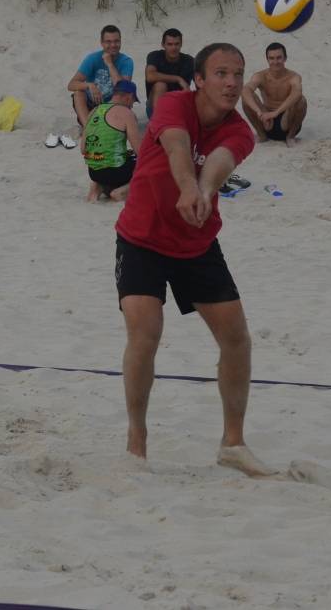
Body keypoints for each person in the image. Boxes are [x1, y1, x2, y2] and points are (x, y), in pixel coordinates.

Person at [114, 43, 276, 478]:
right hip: (142, 237)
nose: (232, 82)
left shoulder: (240, 130)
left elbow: (220, 162)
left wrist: (203, 191)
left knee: (236, 339)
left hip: (196, 243)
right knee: (146, 333)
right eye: (221, 73)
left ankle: (232, 444)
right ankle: (136, 443)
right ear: (199, 79)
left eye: (238, 74)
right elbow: (176, 146)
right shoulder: (173, 104)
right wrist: (188, 186)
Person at [81, 80, 142, 202]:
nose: (131, 106)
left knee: (120, 158)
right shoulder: (127, 113)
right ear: (129, 96)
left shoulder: (94, 111)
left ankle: (98, 186)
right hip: (115, 171)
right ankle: (122, 192)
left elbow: (83, 149)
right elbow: (140, 151)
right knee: (147, 163)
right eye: (133, 102)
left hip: (93, 172)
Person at [240, 42, 307, 147]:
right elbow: (245, 90)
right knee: (246, 98)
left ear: (285, 58)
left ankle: (290, 137)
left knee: (301, 100)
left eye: (279, 58)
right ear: (267, 59)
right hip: (266, 122)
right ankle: (262, 135)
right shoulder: (260, 76)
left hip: (287, 122)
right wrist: (259, 112)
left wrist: (276, 113)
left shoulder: (293, 77)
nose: (275, 62)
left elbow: (297, 93)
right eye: (271, 58)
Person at [66, 25, 134, 128]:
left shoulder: (127, 61)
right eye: (108, 42)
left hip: (112, 104)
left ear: (120, 42)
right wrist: (89, 85)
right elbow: (71, 85)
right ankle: (88, 128)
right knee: (78, 93)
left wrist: (110, 64)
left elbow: (123, 89)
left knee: (125, 95)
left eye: (116, 41)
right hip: (92, 103)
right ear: (102, 43)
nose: (113, 45)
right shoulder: (92, 59)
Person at [144, 28, 195, 120]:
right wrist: (178, 79)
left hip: (179, 106)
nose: (173, 48)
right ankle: (158, 122)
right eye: (170, 44)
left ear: (181, 44)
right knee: (160, 85)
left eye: (177, 44)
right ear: (163, 44)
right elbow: (150, 76)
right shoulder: (155, 56)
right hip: (154, 107)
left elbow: (201, 82)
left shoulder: (189, 61)